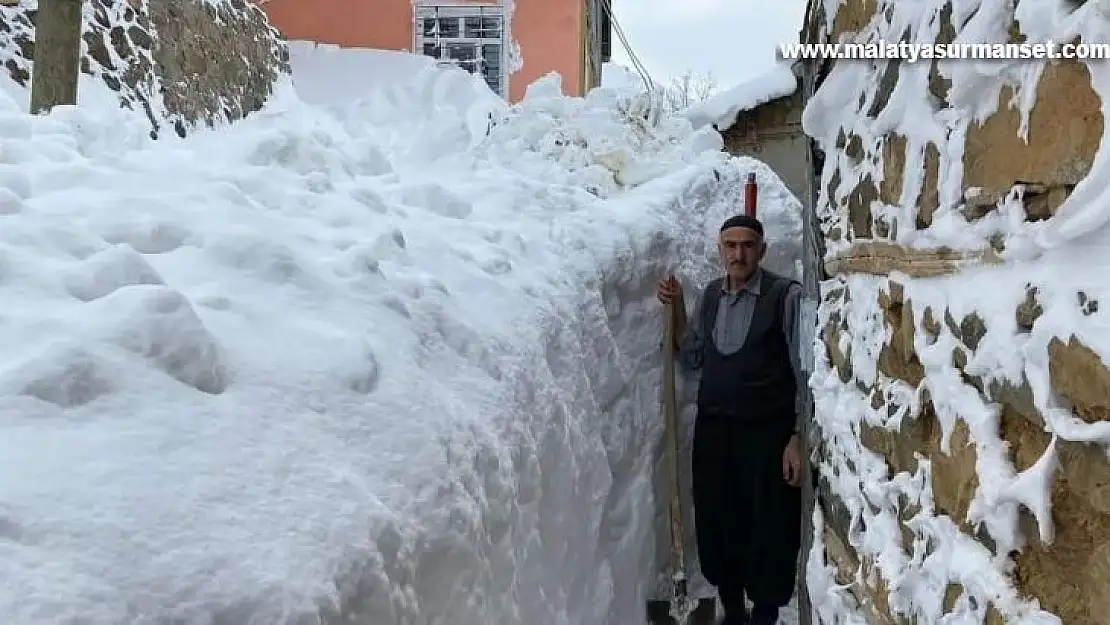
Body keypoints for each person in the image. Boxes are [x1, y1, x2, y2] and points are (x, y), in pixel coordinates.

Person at [656, 214, 805, 625]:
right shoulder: (710, 297)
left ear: (762, 249)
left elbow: (804, 372)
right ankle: (733, 608)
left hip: (766, 436)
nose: (738, 254)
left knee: (768, 526)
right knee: (718, 520)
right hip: (715, 434)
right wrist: (679, 309)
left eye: (747, 245)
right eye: (730, 245)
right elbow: (693, 357)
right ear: (720, 251)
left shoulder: (785, 297)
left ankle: (766, 613)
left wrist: (797, 436)